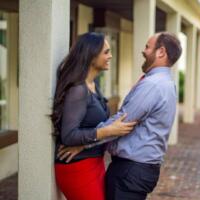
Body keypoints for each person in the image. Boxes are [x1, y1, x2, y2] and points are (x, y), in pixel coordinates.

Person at [59, 32, 182, 200]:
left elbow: (122, 122)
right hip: (133, 169)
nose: (143, 51)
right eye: (106, 51)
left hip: (131, 170)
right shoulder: (164, 82)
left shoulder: (153, 85)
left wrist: (83, 144)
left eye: (147, 47)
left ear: (161, 52)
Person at [51, 32, 136, 200]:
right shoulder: (78, 89)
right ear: (90, 55)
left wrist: (87, 143)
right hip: (77, 168)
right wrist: (108, 131)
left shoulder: (93, 85)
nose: (110, 56)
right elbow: (68, 135)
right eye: (106, 52)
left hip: (94, 162)